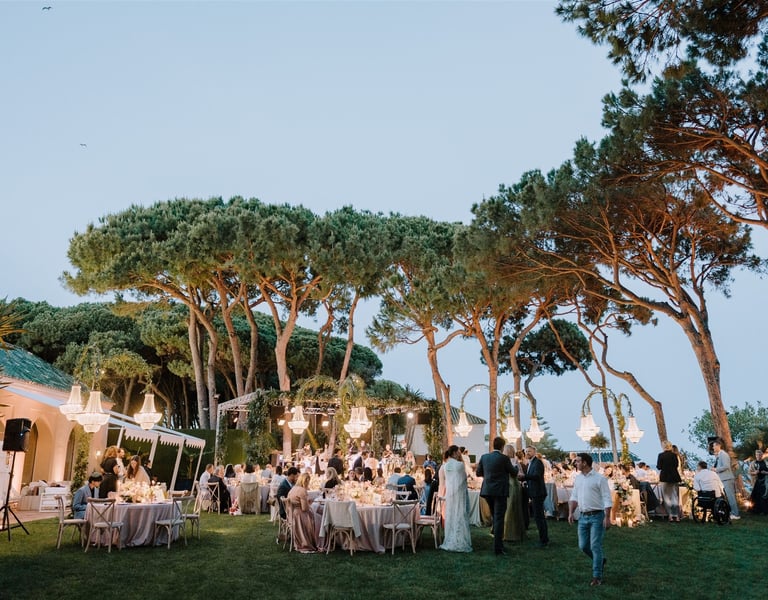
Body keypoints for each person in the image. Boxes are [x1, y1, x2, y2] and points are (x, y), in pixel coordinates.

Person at [568, 453, 612, 587]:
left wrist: (607, 517)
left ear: (585, 463)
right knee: (583, 546)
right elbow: (574, 497)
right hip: (583, 517)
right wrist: (570, 513)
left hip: (597, 516)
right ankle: (600, 561)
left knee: (595, 546)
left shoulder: (600, 479)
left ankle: (597, 576)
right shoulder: (578, 478)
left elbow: (607, 498)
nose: (575, 463)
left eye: (577, 461)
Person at [475, 436, 517, 556]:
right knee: (499, 518)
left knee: (495, 516)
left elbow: (478, 473)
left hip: (487, 491)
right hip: (499, 492)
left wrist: (488, 475)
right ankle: (498, 548)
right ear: (502, 447)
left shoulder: (484, 457)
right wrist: (515, 467)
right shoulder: (504, 458)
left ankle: (497, 542)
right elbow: (514, 473)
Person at [438, 445, 472, 552]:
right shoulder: (460, 465)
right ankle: (460, 540)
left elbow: (447, 481)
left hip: (450, 495)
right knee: (460, 515)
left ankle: (450, 538)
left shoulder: (445, 466)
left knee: (451, 516)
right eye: (458, 452)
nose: (459, 454)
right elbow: (463, 479)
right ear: (454, 453)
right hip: (460, 495)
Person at [518, 445, 549, 547]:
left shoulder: (537, 462)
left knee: (539, 517)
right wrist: (524, 480)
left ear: (534, 452)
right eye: (526, 451)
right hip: (534, 491)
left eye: (529, 451)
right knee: (538, 516)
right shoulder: (531, 463)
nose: (527, 453)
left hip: (538, 492)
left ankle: (544, 540)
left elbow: (536, 476)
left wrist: (524, 476)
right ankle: (543, 538)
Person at [286, 472, 318, 553]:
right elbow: (304, 508)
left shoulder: (293, 488)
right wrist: (309, 504)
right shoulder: (302, 490)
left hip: (291, 514)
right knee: (317, 517)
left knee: (314, 514)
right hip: (299, 516)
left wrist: (307, 502)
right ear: (305, 481)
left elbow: (298, 503)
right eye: (308, 482)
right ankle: (317, 541)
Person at [711, 439, 740, 519]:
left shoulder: (724, 455)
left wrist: (716, 469)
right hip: (722, 479)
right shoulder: (719, 455)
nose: (713, 447)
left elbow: (726, 466)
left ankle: (736, 514)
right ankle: (731, 512)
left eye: (714, 446)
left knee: (731, 497)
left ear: (718, 446)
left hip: (727, 479)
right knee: (727, 497)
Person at [502, 444, 525, 543]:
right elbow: (521, 474)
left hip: (512, 485)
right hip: (509, 485)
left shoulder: (514, 461)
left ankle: (509, 533)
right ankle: (509, 532)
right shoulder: (507, 461)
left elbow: (521, 474)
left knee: (510, 507)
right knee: (509, 508)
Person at [656, 440, 682, 522]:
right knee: (675, 496)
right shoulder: (674, 455)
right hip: (674, 476)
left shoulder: (661, 455)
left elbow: (659, 467)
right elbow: (676, 465)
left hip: (665, 477)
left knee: (666, 497)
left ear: (663, 447)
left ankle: (670, 515)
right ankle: (676, 515)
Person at [749, 449, 768, 514]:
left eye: (760, 455)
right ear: (755, 455)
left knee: (764, 495)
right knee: (756, 496)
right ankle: (756, 510)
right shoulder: (753, 463)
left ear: (762, 455)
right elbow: (749, 472)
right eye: (757, 455)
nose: (759, 456)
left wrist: (766, 472)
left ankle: (764, 510)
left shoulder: (766, 463)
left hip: (765, 482)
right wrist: (755, 472)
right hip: (756, 482)